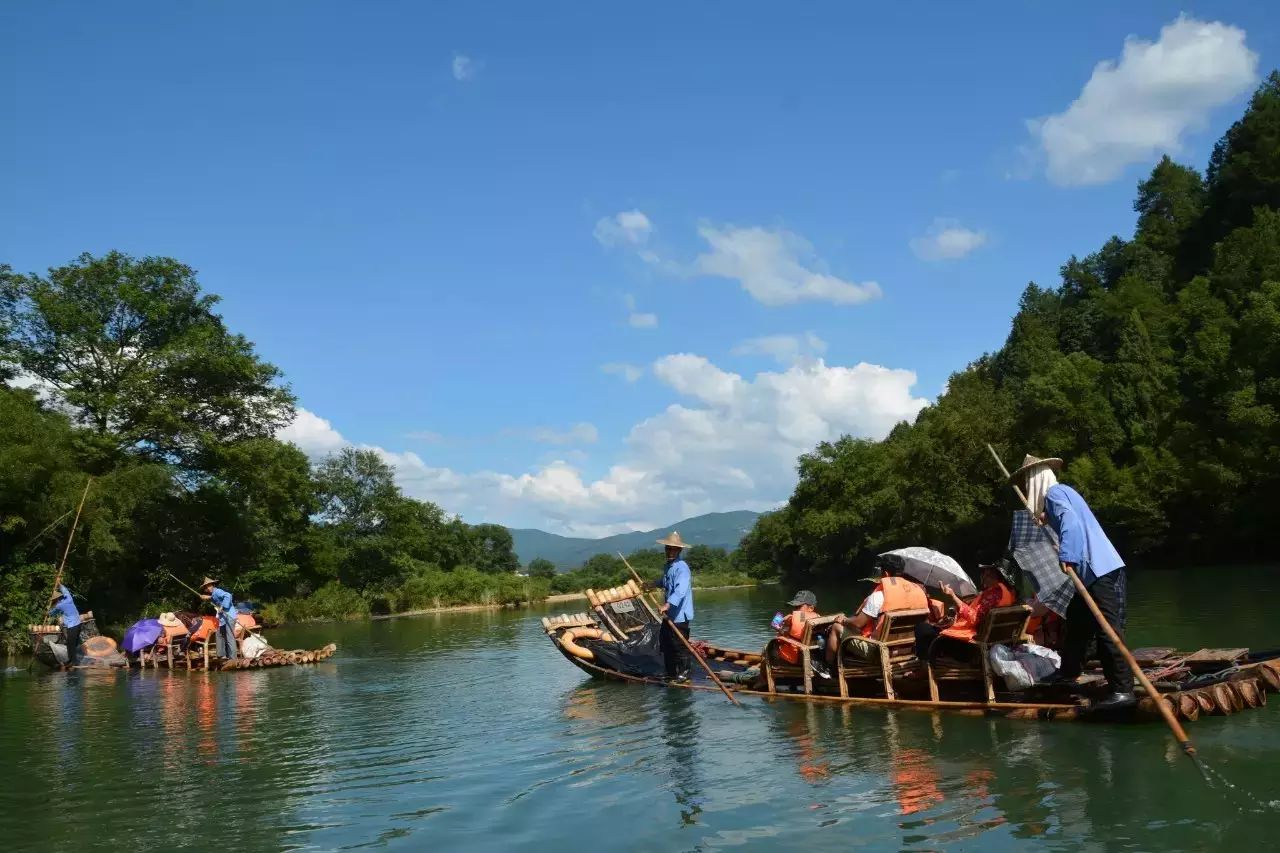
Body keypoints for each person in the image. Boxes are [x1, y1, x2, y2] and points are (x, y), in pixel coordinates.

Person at [1014, 453, 1133, 711]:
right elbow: (1066, 517)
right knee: (1077, 621)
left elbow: (1072, 524)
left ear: (1036, 480)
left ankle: (1123, 690)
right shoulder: (1061, 496)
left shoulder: (1056, 495)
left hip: (1101, 570)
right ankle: (1069, 672)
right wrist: (1046, 517)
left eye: (1027, 482)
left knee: (1108, 630)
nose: (1026, 487)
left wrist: (1067, 555)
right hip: (1091, 574)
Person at [826, 554, 929, 664]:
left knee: (836, 627)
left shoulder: (879, 596)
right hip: (909, 650)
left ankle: (828, 669)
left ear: (885, 574)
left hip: (880, 651)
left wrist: (844, 620)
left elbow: (858, 623)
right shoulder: (919, 594)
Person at [913, 559, 1017, 661]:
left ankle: (924, 669)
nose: (983, 576)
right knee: (932, 630)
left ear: (994, 576)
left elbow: (974, 618)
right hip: (992, 642)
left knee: (922, 628)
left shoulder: (993, 595)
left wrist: (953, 596)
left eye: (986, 573)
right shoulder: (1008, 594)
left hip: (969, 646)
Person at [656, 532, 694, 682]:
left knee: (679, 645)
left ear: (679, 551)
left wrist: (667, 604)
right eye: (668, 549)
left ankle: (684, 673)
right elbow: (665, 582)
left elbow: (680, 590)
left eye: (673, 549)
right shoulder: (669, 567)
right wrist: (652, 584)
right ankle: (670, 672)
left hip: (679, 615)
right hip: (669, 615)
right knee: (666, 642)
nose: (669, 551)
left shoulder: (682, 568)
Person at [199, 576, 239, 660]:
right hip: (223, 619)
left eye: (209, 586)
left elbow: (228, 595)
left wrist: (223, 606)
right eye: (206, 587)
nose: (208, 588)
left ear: (212, 585)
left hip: (229, 616)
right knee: (219, 634)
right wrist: (208, 597)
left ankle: (233, 658)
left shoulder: (217, 591)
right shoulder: (213, 594)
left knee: (229, 637)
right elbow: (214, 597)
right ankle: (222, 655)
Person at [47, 583, 82, 670]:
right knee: (71, 643)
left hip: (72, 625)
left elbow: (52, 612)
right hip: (78, 623)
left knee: (70, 644)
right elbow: (65, 590)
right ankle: (71, 660)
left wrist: (47, 613)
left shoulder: (60, 605)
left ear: (58, 599)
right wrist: (60, 585)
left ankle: (73, 661)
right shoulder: (68, 598)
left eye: (55, 600)